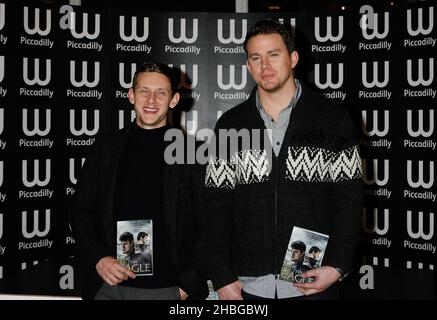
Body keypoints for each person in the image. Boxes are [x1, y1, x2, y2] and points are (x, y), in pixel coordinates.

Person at [203, 19, 362, 300]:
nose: (265, 66)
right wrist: (221, 276)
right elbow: (215, 206)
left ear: (293, 58)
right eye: (256, 58)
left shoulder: (333, 118)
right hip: (245, 286)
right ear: (248, 66)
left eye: (273, 55)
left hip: (313, 283)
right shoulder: (230, 124)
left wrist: (337, 266)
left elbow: (348, 199)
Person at [69, 61, 208, 300]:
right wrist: (99, 260)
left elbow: (212, 226)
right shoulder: (106, 149)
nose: (151, 100)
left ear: (173, 100)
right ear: (131, 95)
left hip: (169, 290)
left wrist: (186, 286)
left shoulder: (193, 153)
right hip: (109, 288)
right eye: (144, 91)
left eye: (160, 93)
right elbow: (80, 211)